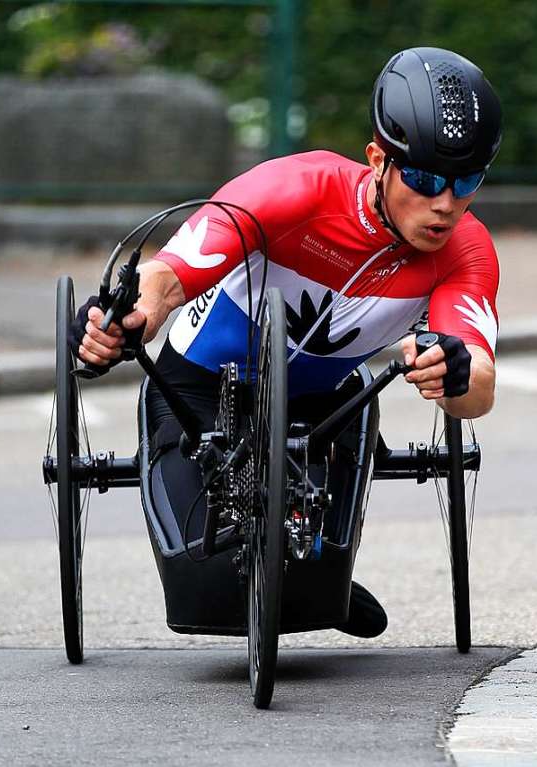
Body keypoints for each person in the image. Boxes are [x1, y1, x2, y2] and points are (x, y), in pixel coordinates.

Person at [70, 46, 502, 638]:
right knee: (205, 602)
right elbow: (171, 274)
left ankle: (311, 582)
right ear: (378, 159)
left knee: (305, 601)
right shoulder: (297, 188)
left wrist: (450, 370)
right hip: (196, 388)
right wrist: (125, 319)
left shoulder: (467, 250)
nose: (445, 203)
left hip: (327, 408)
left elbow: (477, 382)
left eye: (467, 182)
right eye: (425, 179)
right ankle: (305, 581)